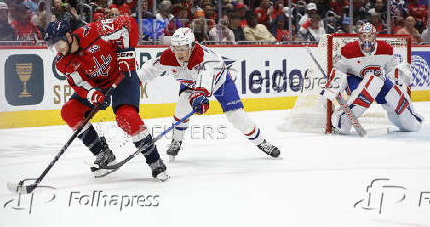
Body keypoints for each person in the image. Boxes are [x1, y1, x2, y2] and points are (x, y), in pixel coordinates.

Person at [44, 17, 169, 181]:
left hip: (122, 76)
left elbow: (128, 24)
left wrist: (126, 54)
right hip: (98, 86)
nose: (57, 50)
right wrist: (93, 94)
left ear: (68, 36)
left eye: (58, 44)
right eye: (54, 47)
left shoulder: (94, 31)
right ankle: (104, 154)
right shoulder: (62, 62)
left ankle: (155, 161)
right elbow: (80, 83)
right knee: (69, 111)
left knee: (127, 117)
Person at [138, 27, 280, 160]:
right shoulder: (169, 56)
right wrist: (134, 81)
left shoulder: (206, 59)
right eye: (176, 49)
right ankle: (176, 140)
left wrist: (199, 96)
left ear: (191, 46)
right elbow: (149, 69)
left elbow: (205, 79)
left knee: (237, 116)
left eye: (182, 49)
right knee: (181, 108)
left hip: (220, 82)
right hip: (191, 83)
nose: (178, 53)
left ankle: (262, 142)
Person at [321, 23, 423, 134]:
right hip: (355, 80)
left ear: (375, 36)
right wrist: (334, 86)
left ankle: (409, 123)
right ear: (359, 36)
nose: (367, 39)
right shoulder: (349, 50)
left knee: (395, 94)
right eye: (364, 36)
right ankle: (341, 120)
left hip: (378, 79)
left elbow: (392, 67)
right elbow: (339, 70)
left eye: (369, 36)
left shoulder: (385, 49)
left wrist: (400, 74)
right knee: (371, 84)